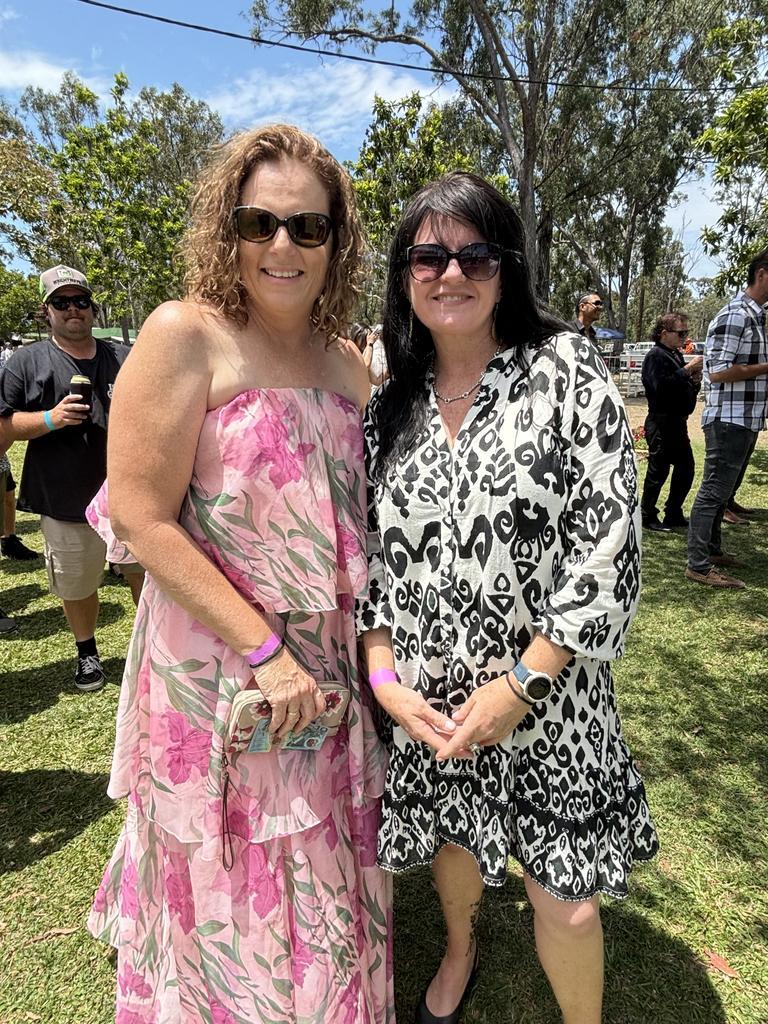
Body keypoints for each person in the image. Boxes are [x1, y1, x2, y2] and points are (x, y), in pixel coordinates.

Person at [85, 124, 394, 1023]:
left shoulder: (347, 362)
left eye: (308, 226)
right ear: (230, 230)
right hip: (220, 662)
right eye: (261, 223)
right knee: (232, 870)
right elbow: (142, 516)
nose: (284, 246)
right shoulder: (186, 334)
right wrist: (264, 648)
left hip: (327, 673)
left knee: (325, 850)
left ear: (338, 240)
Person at [356, 172, 658, 1024]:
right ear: (404, 274)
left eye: (475, 253)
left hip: (549, 697)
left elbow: (610, 541)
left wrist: (521, 684)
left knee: (566, 901)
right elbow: (371, 564)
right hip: (434, 701)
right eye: (428, 255)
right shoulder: (388, 411)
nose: (451, 273)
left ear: (506, 266)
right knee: (453, 847)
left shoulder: (565, 368)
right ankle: (461, 947)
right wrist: (384, 682)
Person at [0, 265, 141, 690]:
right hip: (66, 498)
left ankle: (149, 648)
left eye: (81, 301)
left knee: (144, 575)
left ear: (92, 308)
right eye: (62, 302)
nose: (73, 310)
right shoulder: (27, 361)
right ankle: (87, 653)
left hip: (130, 495)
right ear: (47, 311)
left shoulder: (123, 356)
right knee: (77, 583)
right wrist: (49, 417)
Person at [686, 247, 768, 589]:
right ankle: (698, 565)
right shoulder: (736, 315)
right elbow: (717, 372)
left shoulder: (756, 316)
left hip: (746, 418)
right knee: (712, 491)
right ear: (762, 274)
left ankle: (713, 550)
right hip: (728, 418)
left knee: (722, 492)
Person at [640, 312, 703, 531]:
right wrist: (687, 370)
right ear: (664, 333)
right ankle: (647, 515)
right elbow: (661, 388)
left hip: (676, 422)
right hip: (661, 422)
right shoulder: (655, 355)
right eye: (680, 333)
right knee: (659, 471)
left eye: (686, 332)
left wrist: (694, 381)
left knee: (686, 468)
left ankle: (673, 513)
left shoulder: (673, 354)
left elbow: (681, 386)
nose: (684, 337)